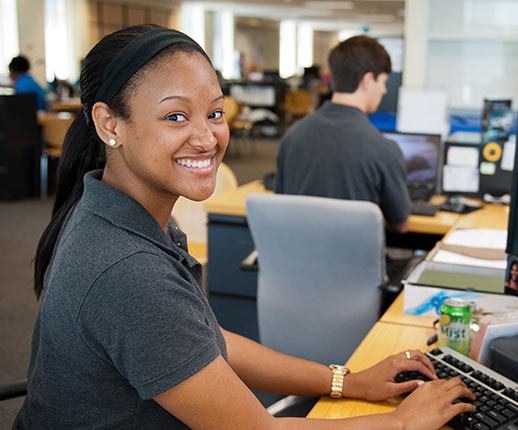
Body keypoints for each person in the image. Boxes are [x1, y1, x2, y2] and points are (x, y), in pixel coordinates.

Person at [14, 25, 474, 429]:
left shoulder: (119, 212)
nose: (207, 137)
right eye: (176, 116)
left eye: (215, 113)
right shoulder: (128, 270)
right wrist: (402, 422)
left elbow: (206, 341)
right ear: (109, 123)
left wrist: (347, 381)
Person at [275, 35, 411, 233]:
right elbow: (401, 225)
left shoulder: (291, 138)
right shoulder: (384, 150)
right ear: (367, 80)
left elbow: (281, 206)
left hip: (296, 260)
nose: (383, 91)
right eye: (382, 82)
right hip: (356, 262)